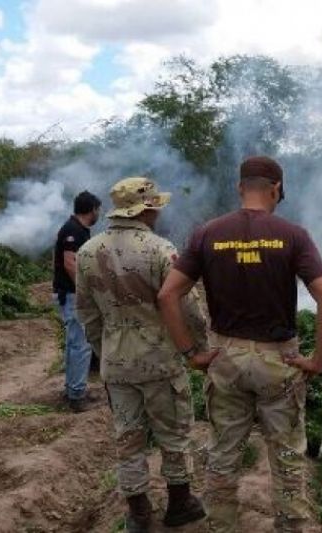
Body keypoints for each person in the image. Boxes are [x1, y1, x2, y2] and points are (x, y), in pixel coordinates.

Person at [158, 156, 322, 533]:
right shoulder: (293, 235)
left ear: (241, 187)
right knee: (288, 457)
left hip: (225, 358)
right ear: (275, 190)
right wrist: (318, 360)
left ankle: (221, 527)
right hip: (280, 360)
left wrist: (192, 353)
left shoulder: (206, 233)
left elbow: (167, 295)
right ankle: (291, 527)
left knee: (223, 456)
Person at [75, 177, 213, 532]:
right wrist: (199, 349)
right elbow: (187, 307)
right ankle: (180, 505)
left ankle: (138, 513)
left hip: (116, 364)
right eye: (156, 206)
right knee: (174, 433)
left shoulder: (88, 252)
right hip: (160, 360)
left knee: (128, 436)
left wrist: (104, 352)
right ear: (146, 209)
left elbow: (87, 313)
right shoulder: (160, 250)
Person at [53, 190, 100, 412]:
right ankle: (77, 396)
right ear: (92, 209)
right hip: (72, 295)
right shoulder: (73, 230)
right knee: (81, 344)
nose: (99, 213)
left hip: (70, 294)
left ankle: (73, 389)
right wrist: (85, 291)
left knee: (75, 344)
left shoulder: (78, 229)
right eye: (98, 209)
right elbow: (70, 263)